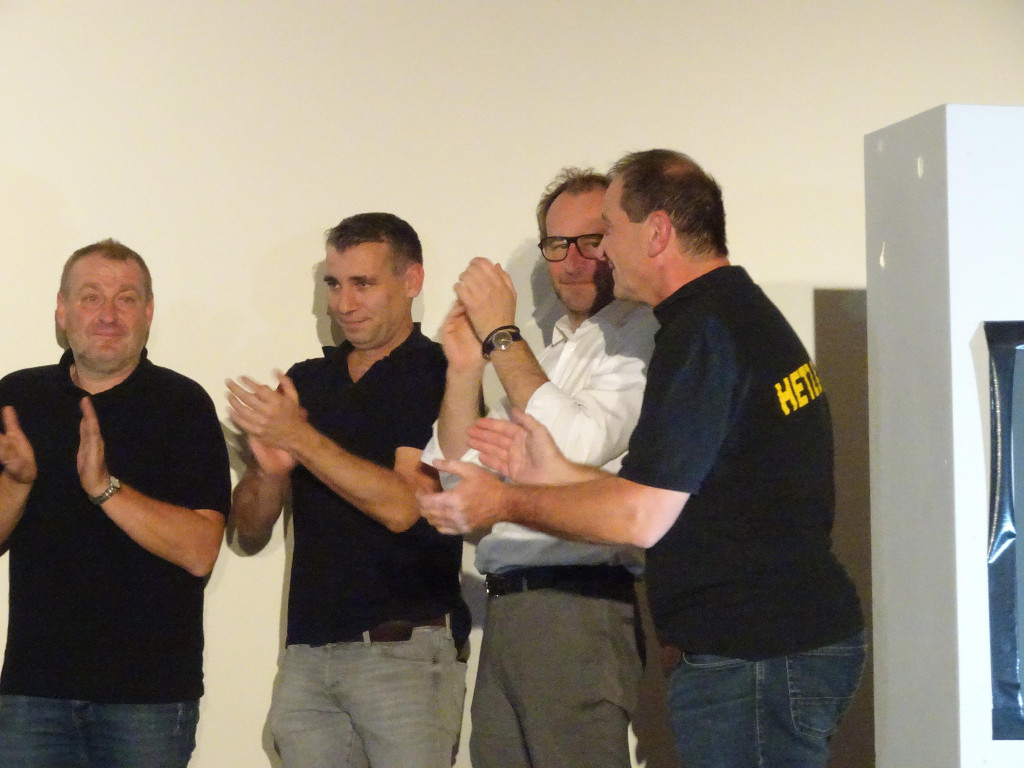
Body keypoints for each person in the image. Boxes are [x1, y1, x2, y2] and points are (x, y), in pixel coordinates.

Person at [420, 150, 866, 768]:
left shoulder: (704, 330)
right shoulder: (721, 316)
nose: (601, 250)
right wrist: (556, 473)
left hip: (759, 648)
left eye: (606, 230)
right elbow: (658, 488)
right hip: (755, 644)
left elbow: (639, 517)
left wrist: (505, 500)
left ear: (656, 232)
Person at [421, 168, 656, 768]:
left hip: (580, 604)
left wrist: (501, 334)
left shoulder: (644, 334)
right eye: (557, 244)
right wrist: (464, 370)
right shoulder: (544, 355)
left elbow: (577, 444)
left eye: (591, 240)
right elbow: (457, 477)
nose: (573, 261)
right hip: (507, 606)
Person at [227, 212, 470, 768]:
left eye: (363, 283)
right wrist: (269, 472)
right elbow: (249, 530)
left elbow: (404, 507)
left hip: (405, 653)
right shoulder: (307, 381)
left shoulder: (440, 371)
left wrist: (299, 437)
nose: (343, 303)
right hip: (308, 657)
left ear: (411, 281)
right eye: (333, 284)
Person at [0, 239, 230, 768]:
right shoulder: (18, 398)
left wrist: (105, 488)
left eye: (126, 299)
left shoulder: (183, 404)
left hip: (147, 700)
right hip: (33, 694)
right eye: (91, 297)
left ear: (148, 313)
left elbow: (201, 550)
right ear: (62, 311)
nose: (108, 314)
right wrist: (17, 483)